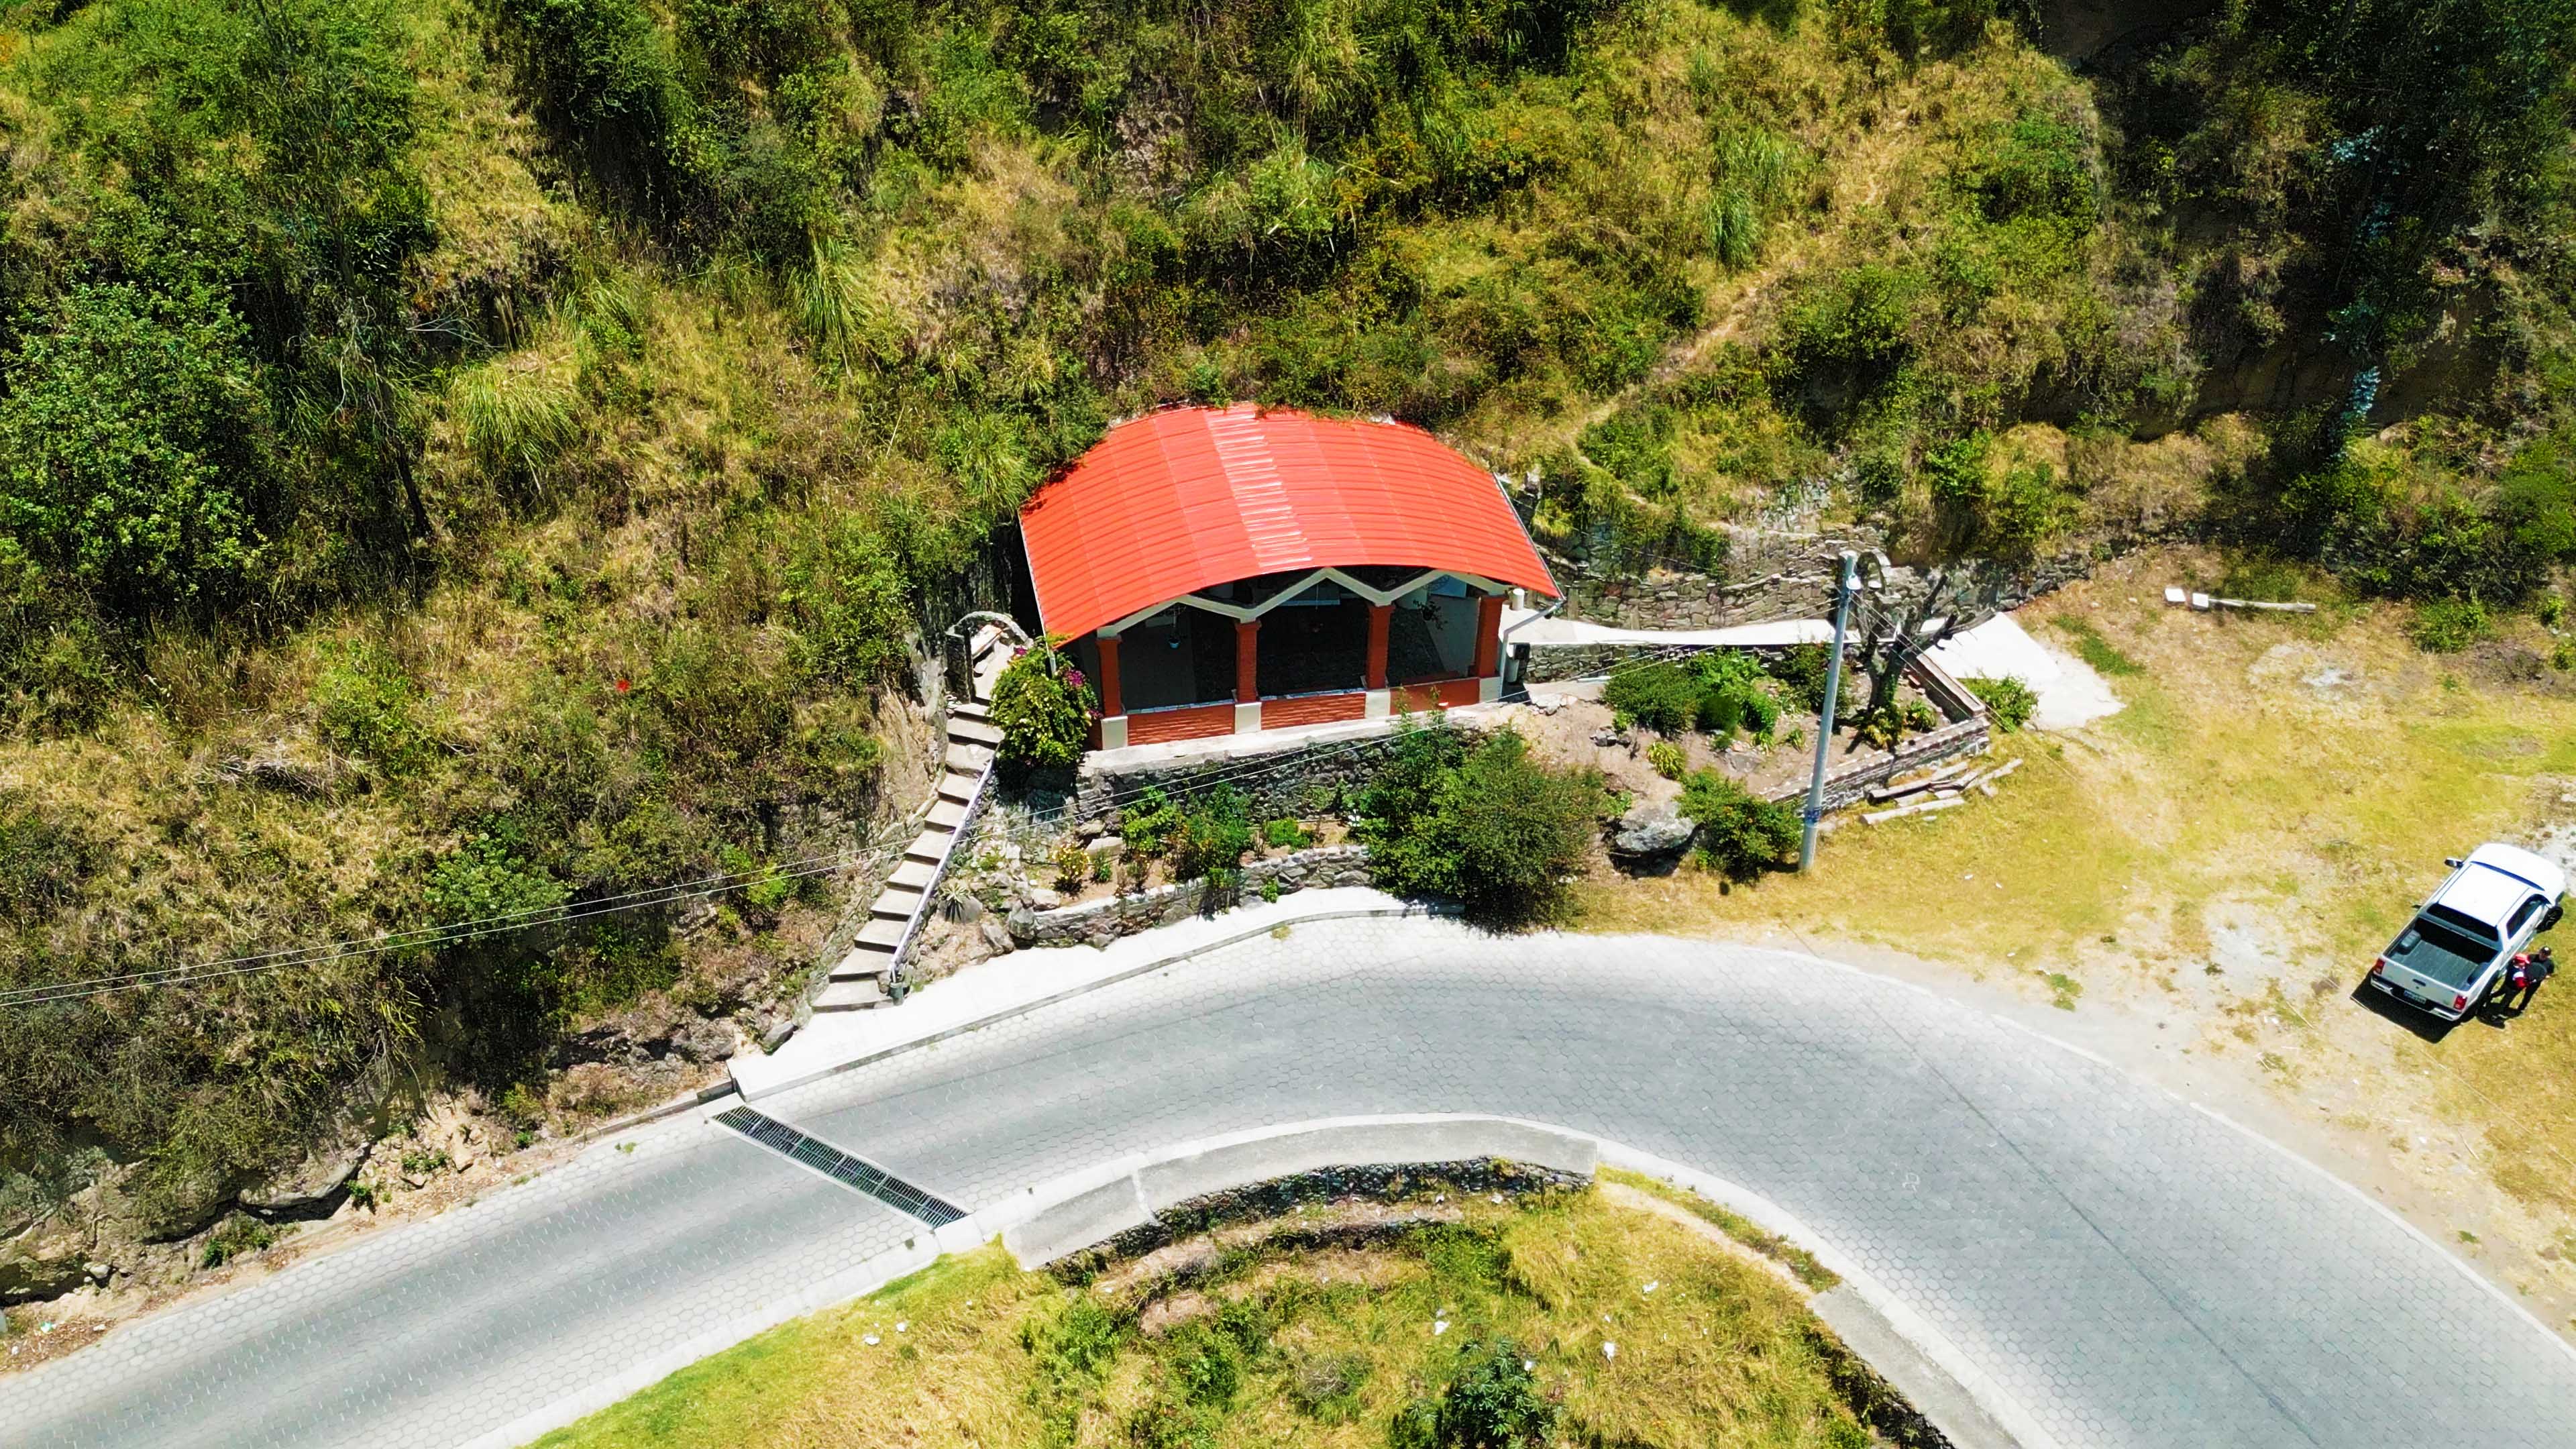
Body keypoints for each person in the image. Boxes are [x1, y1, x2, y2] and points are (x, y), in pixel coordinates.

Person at [2501, 946, 2555, 1014]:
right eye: (2543, 952)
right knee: (2515, 992)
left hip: (2535, 983)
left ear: (2549, 955)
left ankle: (2520, 1009)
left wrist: (2541, 977)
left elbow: (2549, 974)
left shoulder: (2550, 964)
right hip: (2524, 979)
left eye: (2546, 954)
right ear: (2540, 951)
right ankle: (2505, 1006)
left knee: (2528, 996)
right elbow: (2522, 965)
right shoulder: (2531, 957)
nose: (2543, 955)